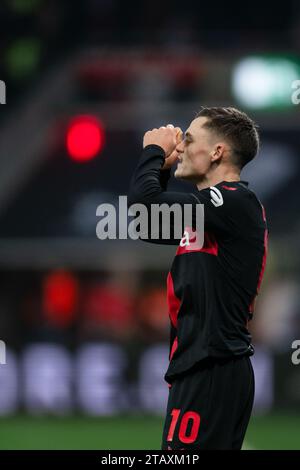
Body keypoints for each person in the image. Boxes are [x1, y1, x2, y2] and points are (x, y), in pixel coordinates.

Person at [128, 107, 268, 450]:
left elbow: (142, 206)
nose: (182, 147)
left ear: (217, 152)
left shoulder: (234, 201)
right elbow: (145, 222)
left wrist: (153, 151)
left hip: (214, 366)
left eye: (189, 140)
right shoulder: (212, 213)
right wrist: (159, 171)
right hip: (202, 367)